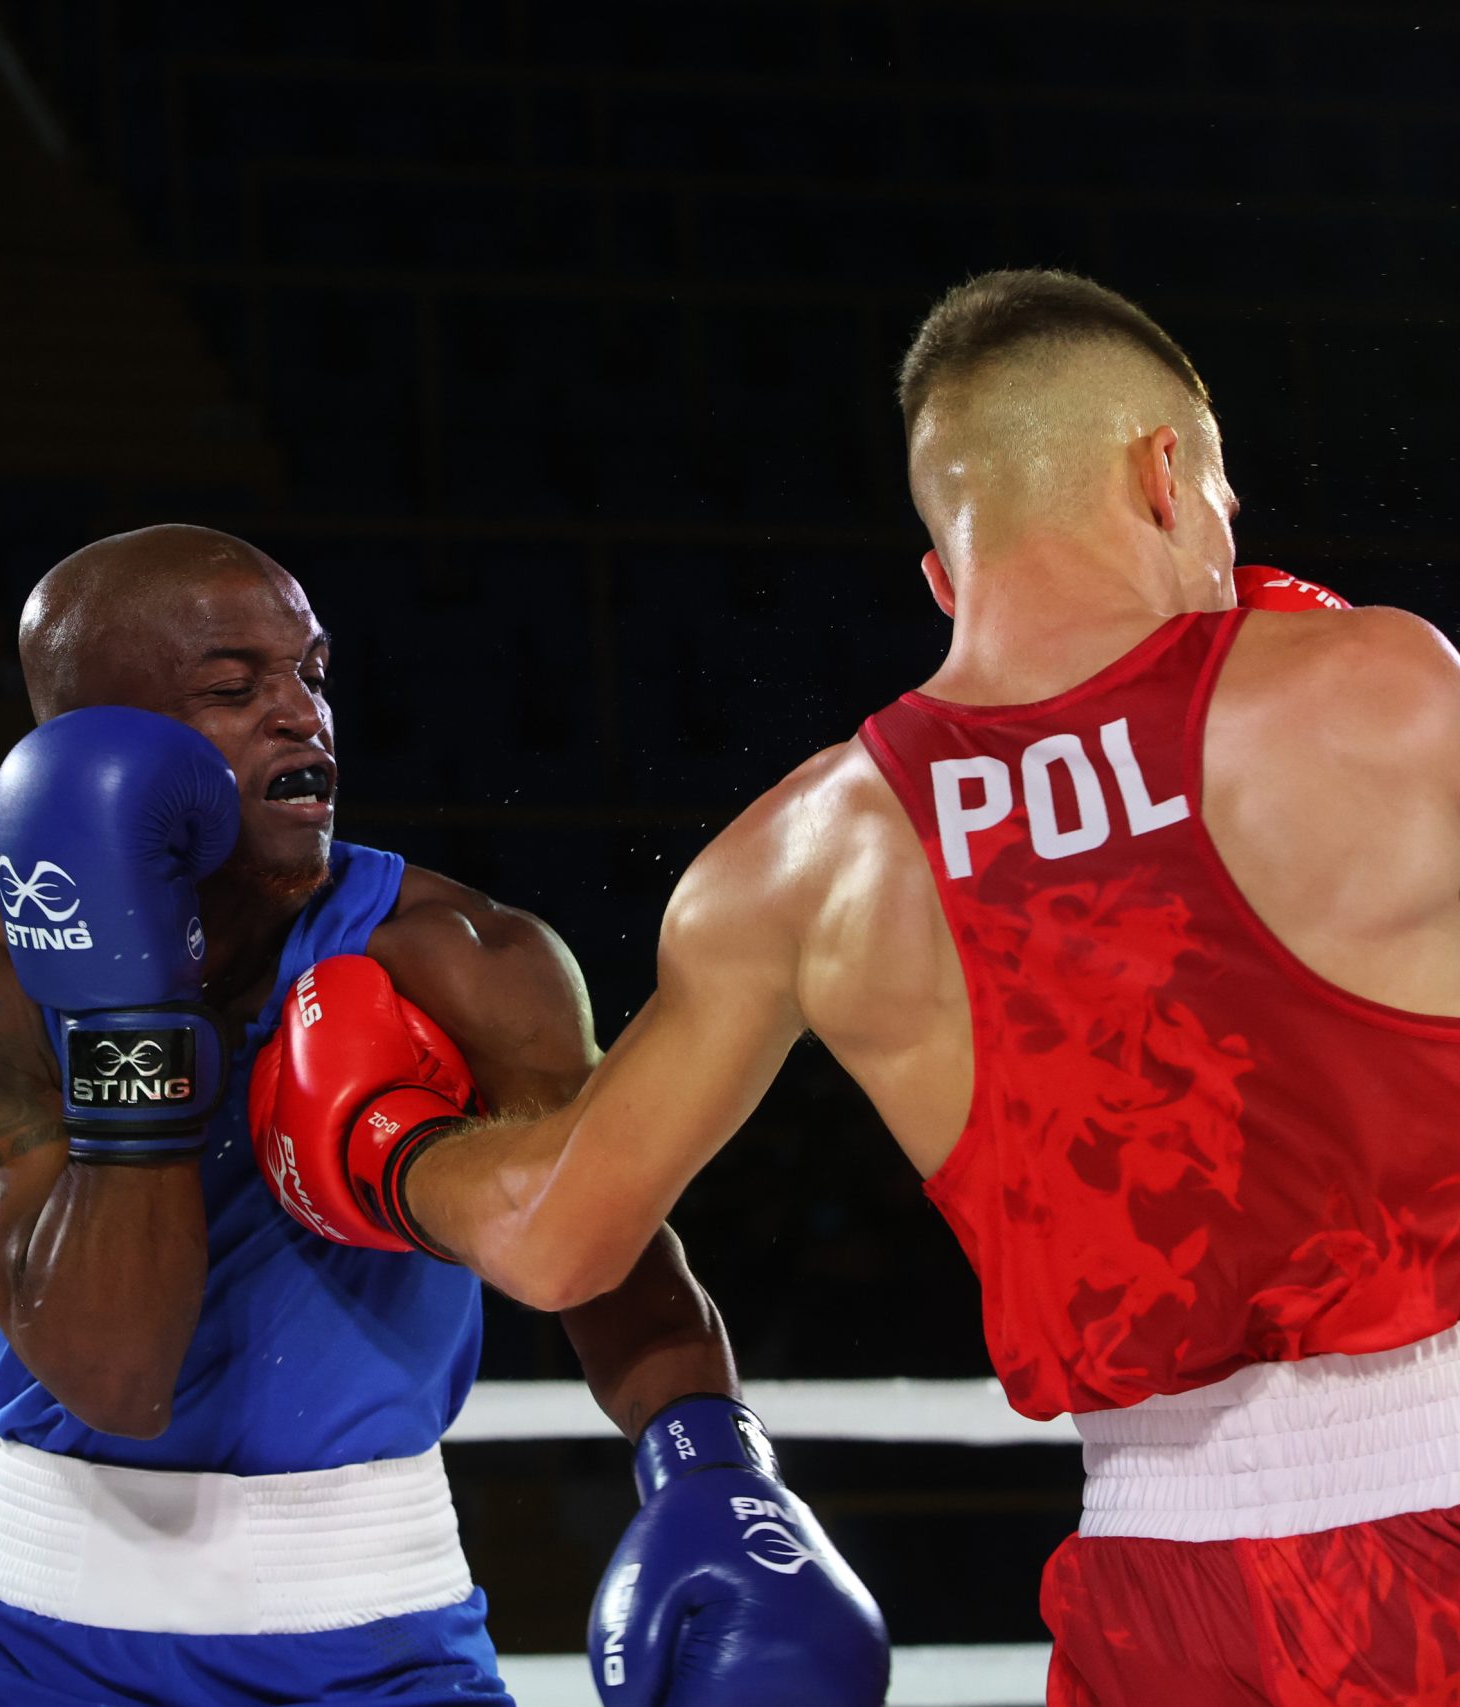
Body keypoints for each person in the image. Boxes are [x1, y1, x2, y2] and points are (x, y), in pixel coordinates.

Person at [256, 269, 1460, 1704]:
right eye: (1221, 504)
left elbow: (551, 1238)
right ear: (1164, 478)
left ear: (944, 576)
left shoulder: (801, 859)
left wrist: (384, 1146)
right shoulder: (1381, 686)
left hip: (1162, 1585)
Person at [0, 525, 886, 1707]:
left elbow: (604, 1245)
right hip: (45, 1647)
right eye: (232, 689)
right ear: (98, 746)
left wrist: (714, 1468)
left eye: (311, 673)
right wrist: (127, 1012)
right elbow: (116, 1376)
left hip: (383, 1639)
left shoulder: (462, 957)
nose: (301, 715)